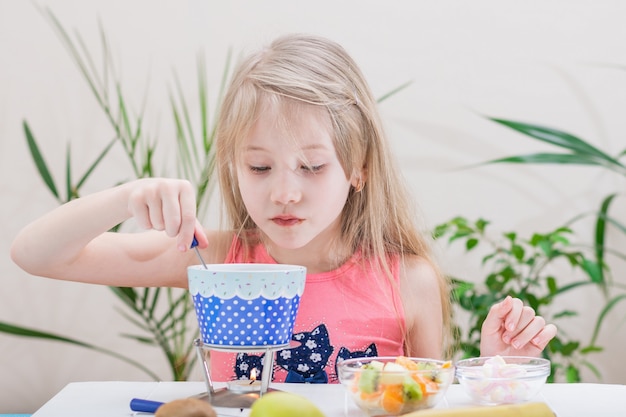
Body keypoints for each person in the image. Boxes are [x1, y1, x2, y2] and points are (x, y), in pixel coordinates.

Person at [11, 34, 556, 383]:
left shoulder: (407, 279)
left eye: (313, 167)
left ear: (358, 166)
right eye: (259, 167)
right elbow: (36, 254)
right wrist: (126, 197)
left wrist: (495, 367)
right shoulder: (214, 262)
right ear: (233, 167)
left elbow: (423, 400)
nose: (285, 193)